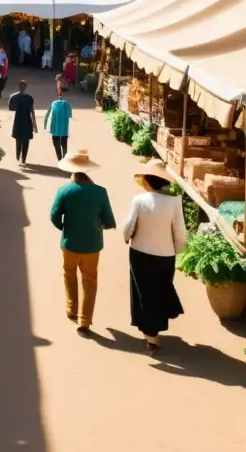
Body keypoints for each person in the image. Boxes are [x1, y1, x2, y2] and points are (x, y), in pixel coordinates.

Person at [123, 160, 187, 355]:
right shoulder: (175, 201)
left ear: (148, 181)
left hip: (140, 252)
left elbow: (129, 226)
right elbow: (180, 232)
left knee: (143, 292)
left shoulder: (140, 200)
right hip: (165, 255)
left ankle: (150, 335)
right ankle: (154, 331)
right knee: (160, 290)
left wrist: (126, 238)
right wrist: (178, 250)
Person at [50, 150, 116, 335]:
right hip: (92, 245)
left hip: (70, 242)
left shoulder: (64, 190)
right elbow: (109, 220)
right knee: (89, 280)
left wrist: (64, 227)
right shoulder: (100, 192)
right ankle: (84, 320)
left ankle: (71, 308)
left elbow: (54, 215)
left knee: (69, 274)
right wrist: (100, 224)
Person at [7, 80, 36, 165]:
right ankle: (23, 159)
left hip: (18, 121)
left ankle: (17, 157)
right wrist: (35, 126)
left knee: (18, 141)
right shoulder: (30, 98)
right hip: (27, 121)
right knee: (26, 141)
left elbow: (11, 107)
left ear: (19, 87)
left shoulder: (14, 96)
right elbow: (32, 112)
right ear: (26, 87)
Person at [44, 89, 72, 160]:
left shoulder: (54, 103)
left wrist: (45, 124)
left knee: (56, 143)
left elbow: (47, 114)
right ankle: (64, 158)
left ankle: (59, 159)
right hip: (64, 129)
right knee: (64, 144)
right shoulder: (67, 104)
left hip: (55, 129)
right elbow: (70, 115)